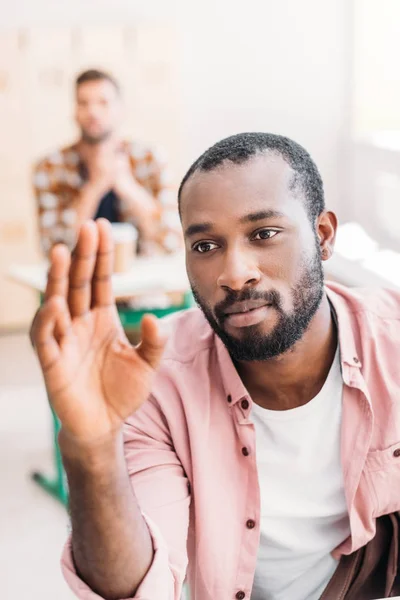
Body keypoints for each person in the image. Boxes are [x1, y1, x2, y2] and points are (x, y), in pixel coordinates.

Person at [30, 132, 400, 600]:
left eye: (264, 234)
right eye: (205, 246)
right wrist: (91, 446)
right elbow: (136, 586)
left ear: (323, 236)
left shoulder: (392, 340)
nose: (234, 273)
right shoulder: (155, 378)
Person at [33, 69, 181, 257]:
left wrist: (126, 186)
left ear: (120, 109)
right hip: (79, 278)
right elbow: (53, 250)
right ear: (74, 111)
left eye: (103, 102)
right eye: (83, 103)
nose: (93, 112)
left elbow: (172, 242)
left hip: (141, 280)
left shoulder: (150, 158)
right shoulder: (49, 167)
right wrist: (95, 186)